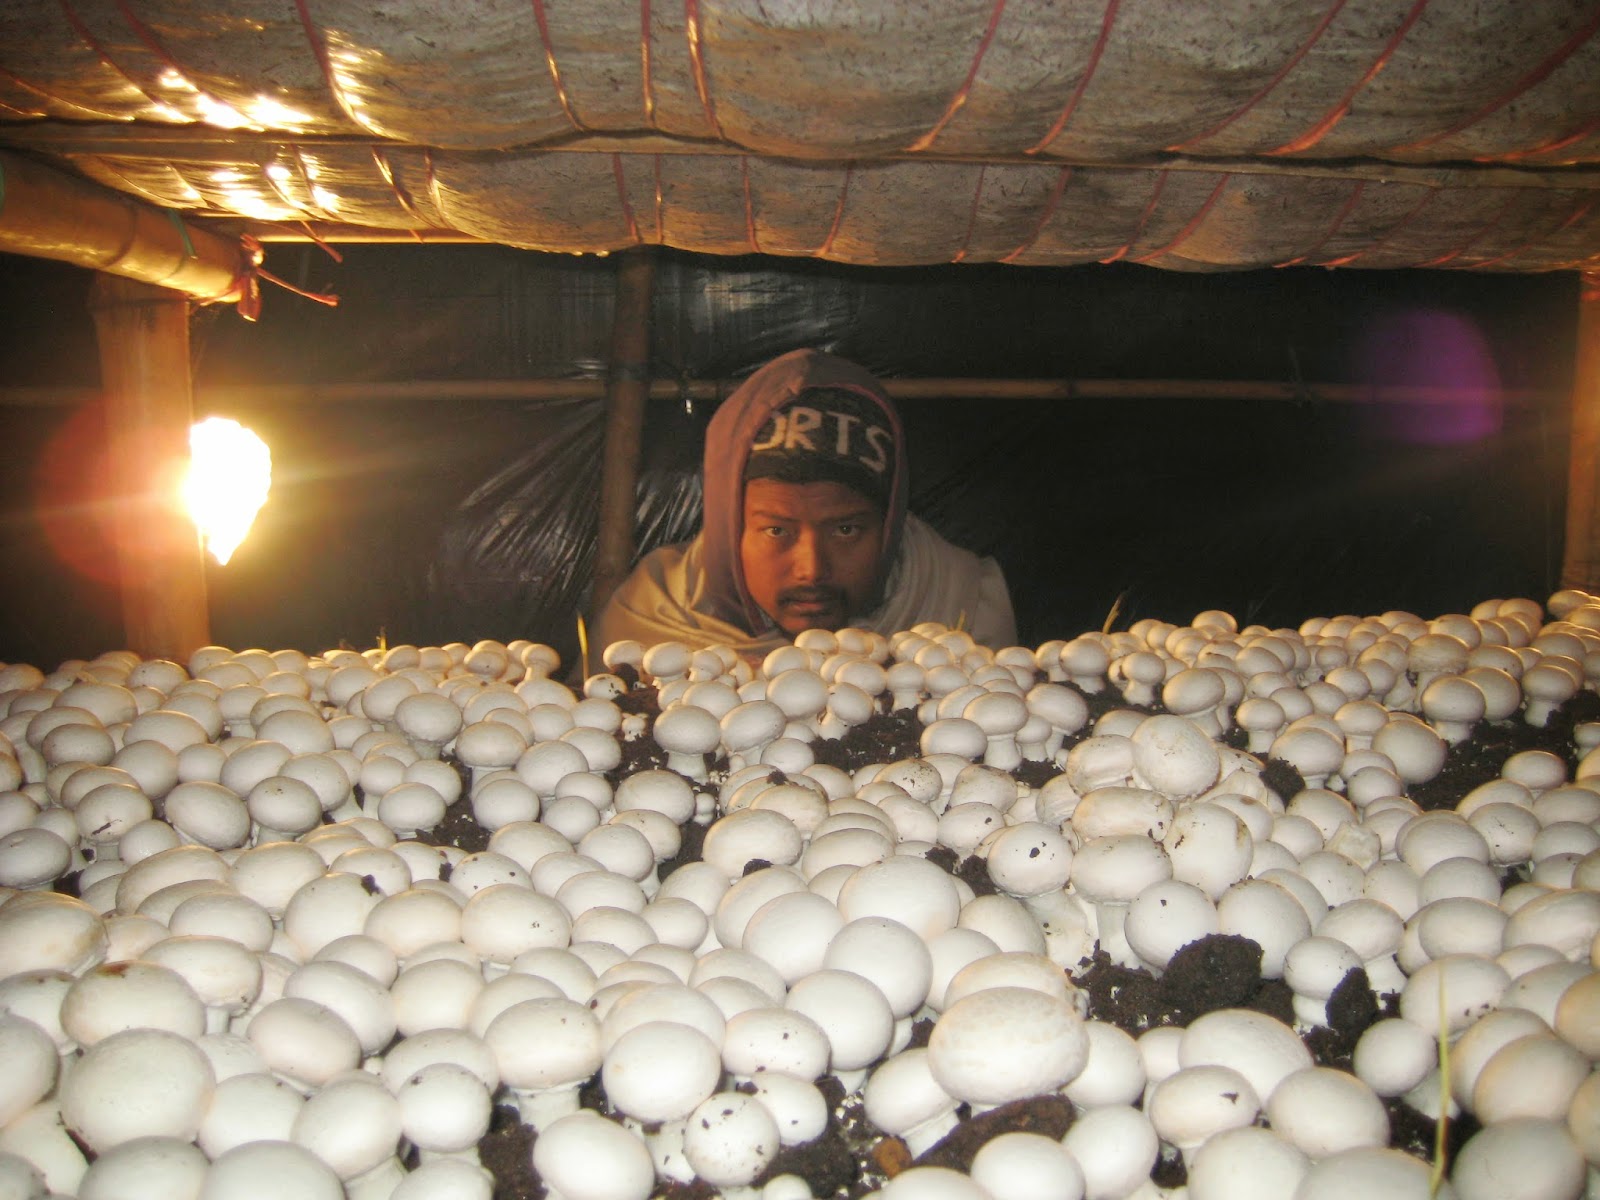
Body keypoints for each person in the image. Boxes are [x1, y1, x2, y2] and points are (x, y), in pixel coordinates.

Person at [592, 348, 1017, 659]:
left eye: (846, 530)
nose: (812, 569)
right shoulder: (649, 625)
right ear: (729, 526)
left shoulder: (963, 609)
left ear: (888, 524)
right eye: (776, 530)